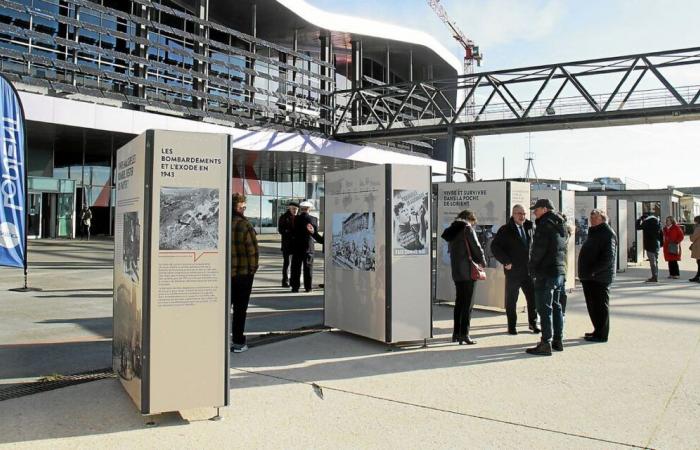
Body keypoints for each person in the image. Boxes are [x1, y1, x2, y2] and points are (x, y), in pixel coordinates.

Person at [526, 198, 568, 356]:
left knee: (544, 308)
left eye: (536, 209)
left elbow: (538, 250)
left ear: (544, 209)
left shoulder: (544, 225)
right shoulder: (560, 222)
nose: (534, 212)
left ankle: (545, 343)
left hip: (545, 271)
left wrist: (532, 268)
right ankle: (558, 339)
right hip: (558, 270)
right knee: (556, 306)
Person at [490, 204, 539, 335]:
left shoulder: (530, 227)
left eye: (523, 214)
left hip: (528, 271)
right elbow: (495, 247)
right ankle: (512, 326)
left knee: (533, 298)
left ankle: (533, 323)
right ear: (513, 214)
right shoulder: (505, 229)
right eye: (519, 214)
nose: (522, 216)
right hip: (513, 272)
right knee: (512, 300)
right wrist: (506, 261)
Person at [441, 210, 486, 345]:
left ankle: (456, 333)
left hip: (457, 272)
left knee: (459, 303)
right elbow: (476, 247)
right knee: (468, 304)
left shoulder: (452, 230)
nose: (474, 224)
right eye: (474, 222)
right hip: (468, 271)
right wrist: (483, 261)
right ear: (469, 219)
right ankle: (464, 334)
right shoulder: (467, 229)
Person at [578, 209, 617, 343]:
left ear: (602, 218)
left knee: (600, 306)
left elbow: (608, 258)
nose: (592, 219)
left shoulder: (607, 233)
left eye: (595, 217)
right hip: (590, 277)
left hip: (599, 277)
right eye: (591, 217)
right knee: (592, 306)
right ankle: (597, 330)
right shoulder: (594, 231)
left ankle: (602, 334)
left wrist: (594, 271)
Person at [230, 193, 259, 353]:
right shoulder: (244, 224)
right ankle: (238, 342)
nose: (244, 209)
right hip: (243, 275)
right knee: (240, 310)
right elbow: (252, 251)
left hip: (226, 275)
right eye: (243, 206)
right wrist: (252, 270)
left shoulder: (221, 222)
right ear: (238, 206)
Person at [290, 200, 323, 293]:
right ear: (309, 209)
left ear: (301, 209)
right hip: (308, 247)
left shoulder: (295, 219)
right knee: (308, 268)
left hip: (297, 247)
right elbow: (314, 233)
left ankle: (295, 287)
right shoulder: (313, 219)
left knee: (295, 268)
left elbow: (292, 232)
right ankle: (308, 287)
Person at [277, 201, 299, 287]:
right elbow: (281, 230)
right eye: (293, 209)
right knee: (287, 263)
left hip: (296, 245)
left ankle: (293, 280)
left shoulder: (298, 217)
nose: (295, 211)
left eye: (296, 209)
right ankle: (285, 281)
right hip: (287, 244)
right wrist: (290, 232)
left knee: (295, 264)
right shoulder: (283, 217)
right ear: (289, 208)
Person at [636, 213, 663, 282]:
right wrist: (661, 243)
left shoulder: (646, 222)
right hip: (657, 244)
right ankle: (655, 276)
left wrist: (639, 219)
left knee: (652, 261)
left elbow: (638, 227)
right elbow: (661, 233)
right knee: (655, 261)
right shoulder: (657, 221)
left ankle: (654, 277)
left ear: (644, 218)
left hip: (649, 244)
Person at [690, 216, 700, 282]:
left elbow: (693, 238)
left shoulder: (698, 228)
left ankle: (697, 277)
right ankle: (697, 276)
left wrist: (690, 236)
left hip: (698, 247)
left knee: (699, 262)